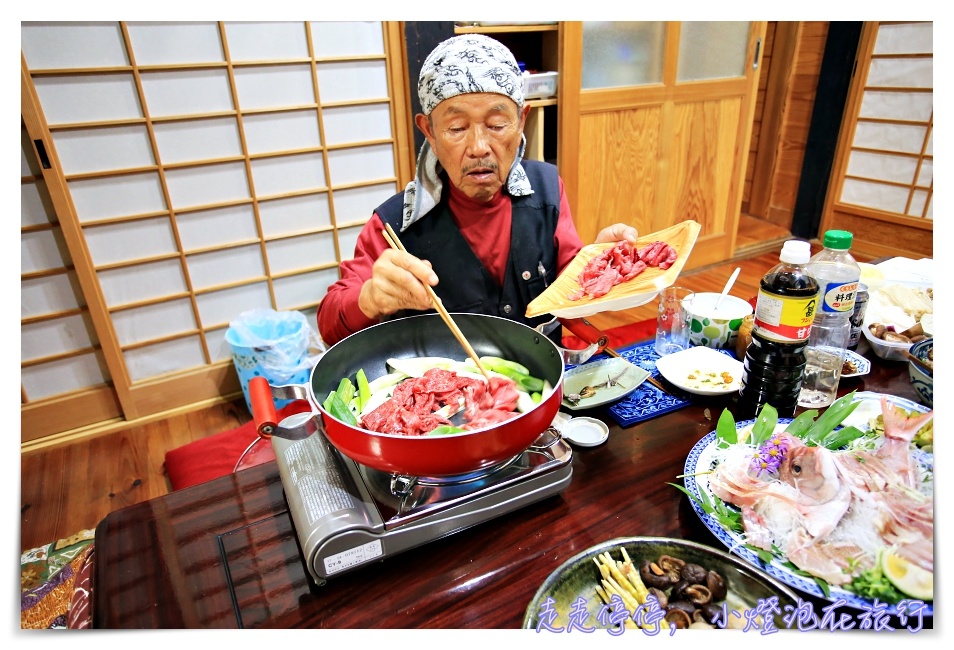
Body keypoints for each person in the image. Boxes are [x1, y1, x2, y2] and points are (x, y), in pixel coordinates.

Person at [317, 34, 638, 347]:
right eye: (457, 128)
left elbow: (569, 286)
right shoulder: (394, 225)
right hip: (450, 396)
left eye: (497, 124)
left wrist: (600, 265)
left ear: (521, 120)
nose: (479, 147)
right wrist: (371, 298)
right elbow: (330, 324)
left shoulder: (546, 188)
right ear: (429, 130)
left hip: (544, 383)